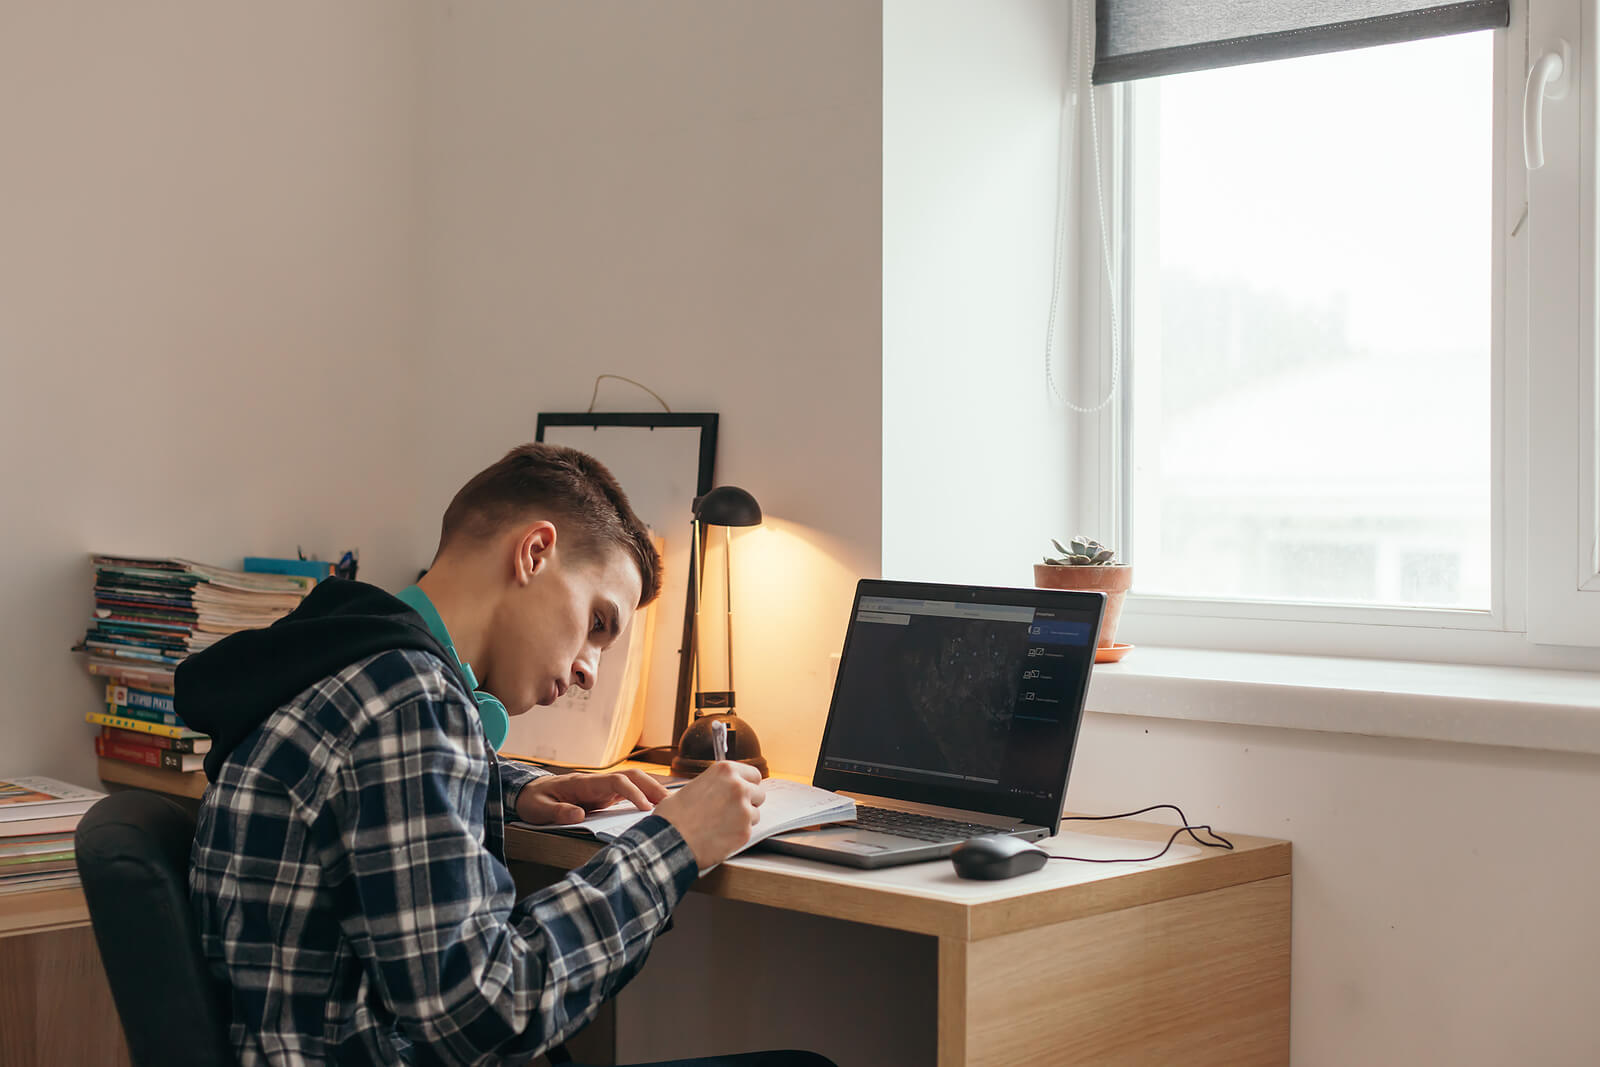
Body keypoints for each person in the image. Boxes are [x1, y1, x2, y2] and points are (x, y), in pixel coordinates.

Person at [178, 443, 832, 1067]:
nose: (589, 672)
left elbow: (354, 790)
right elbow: (488, 1011)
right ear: (535, 551)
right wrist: (674, 843)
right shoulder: (412, 705)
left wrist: (509, 787)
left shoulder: (347, 660)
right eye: (599, 624)